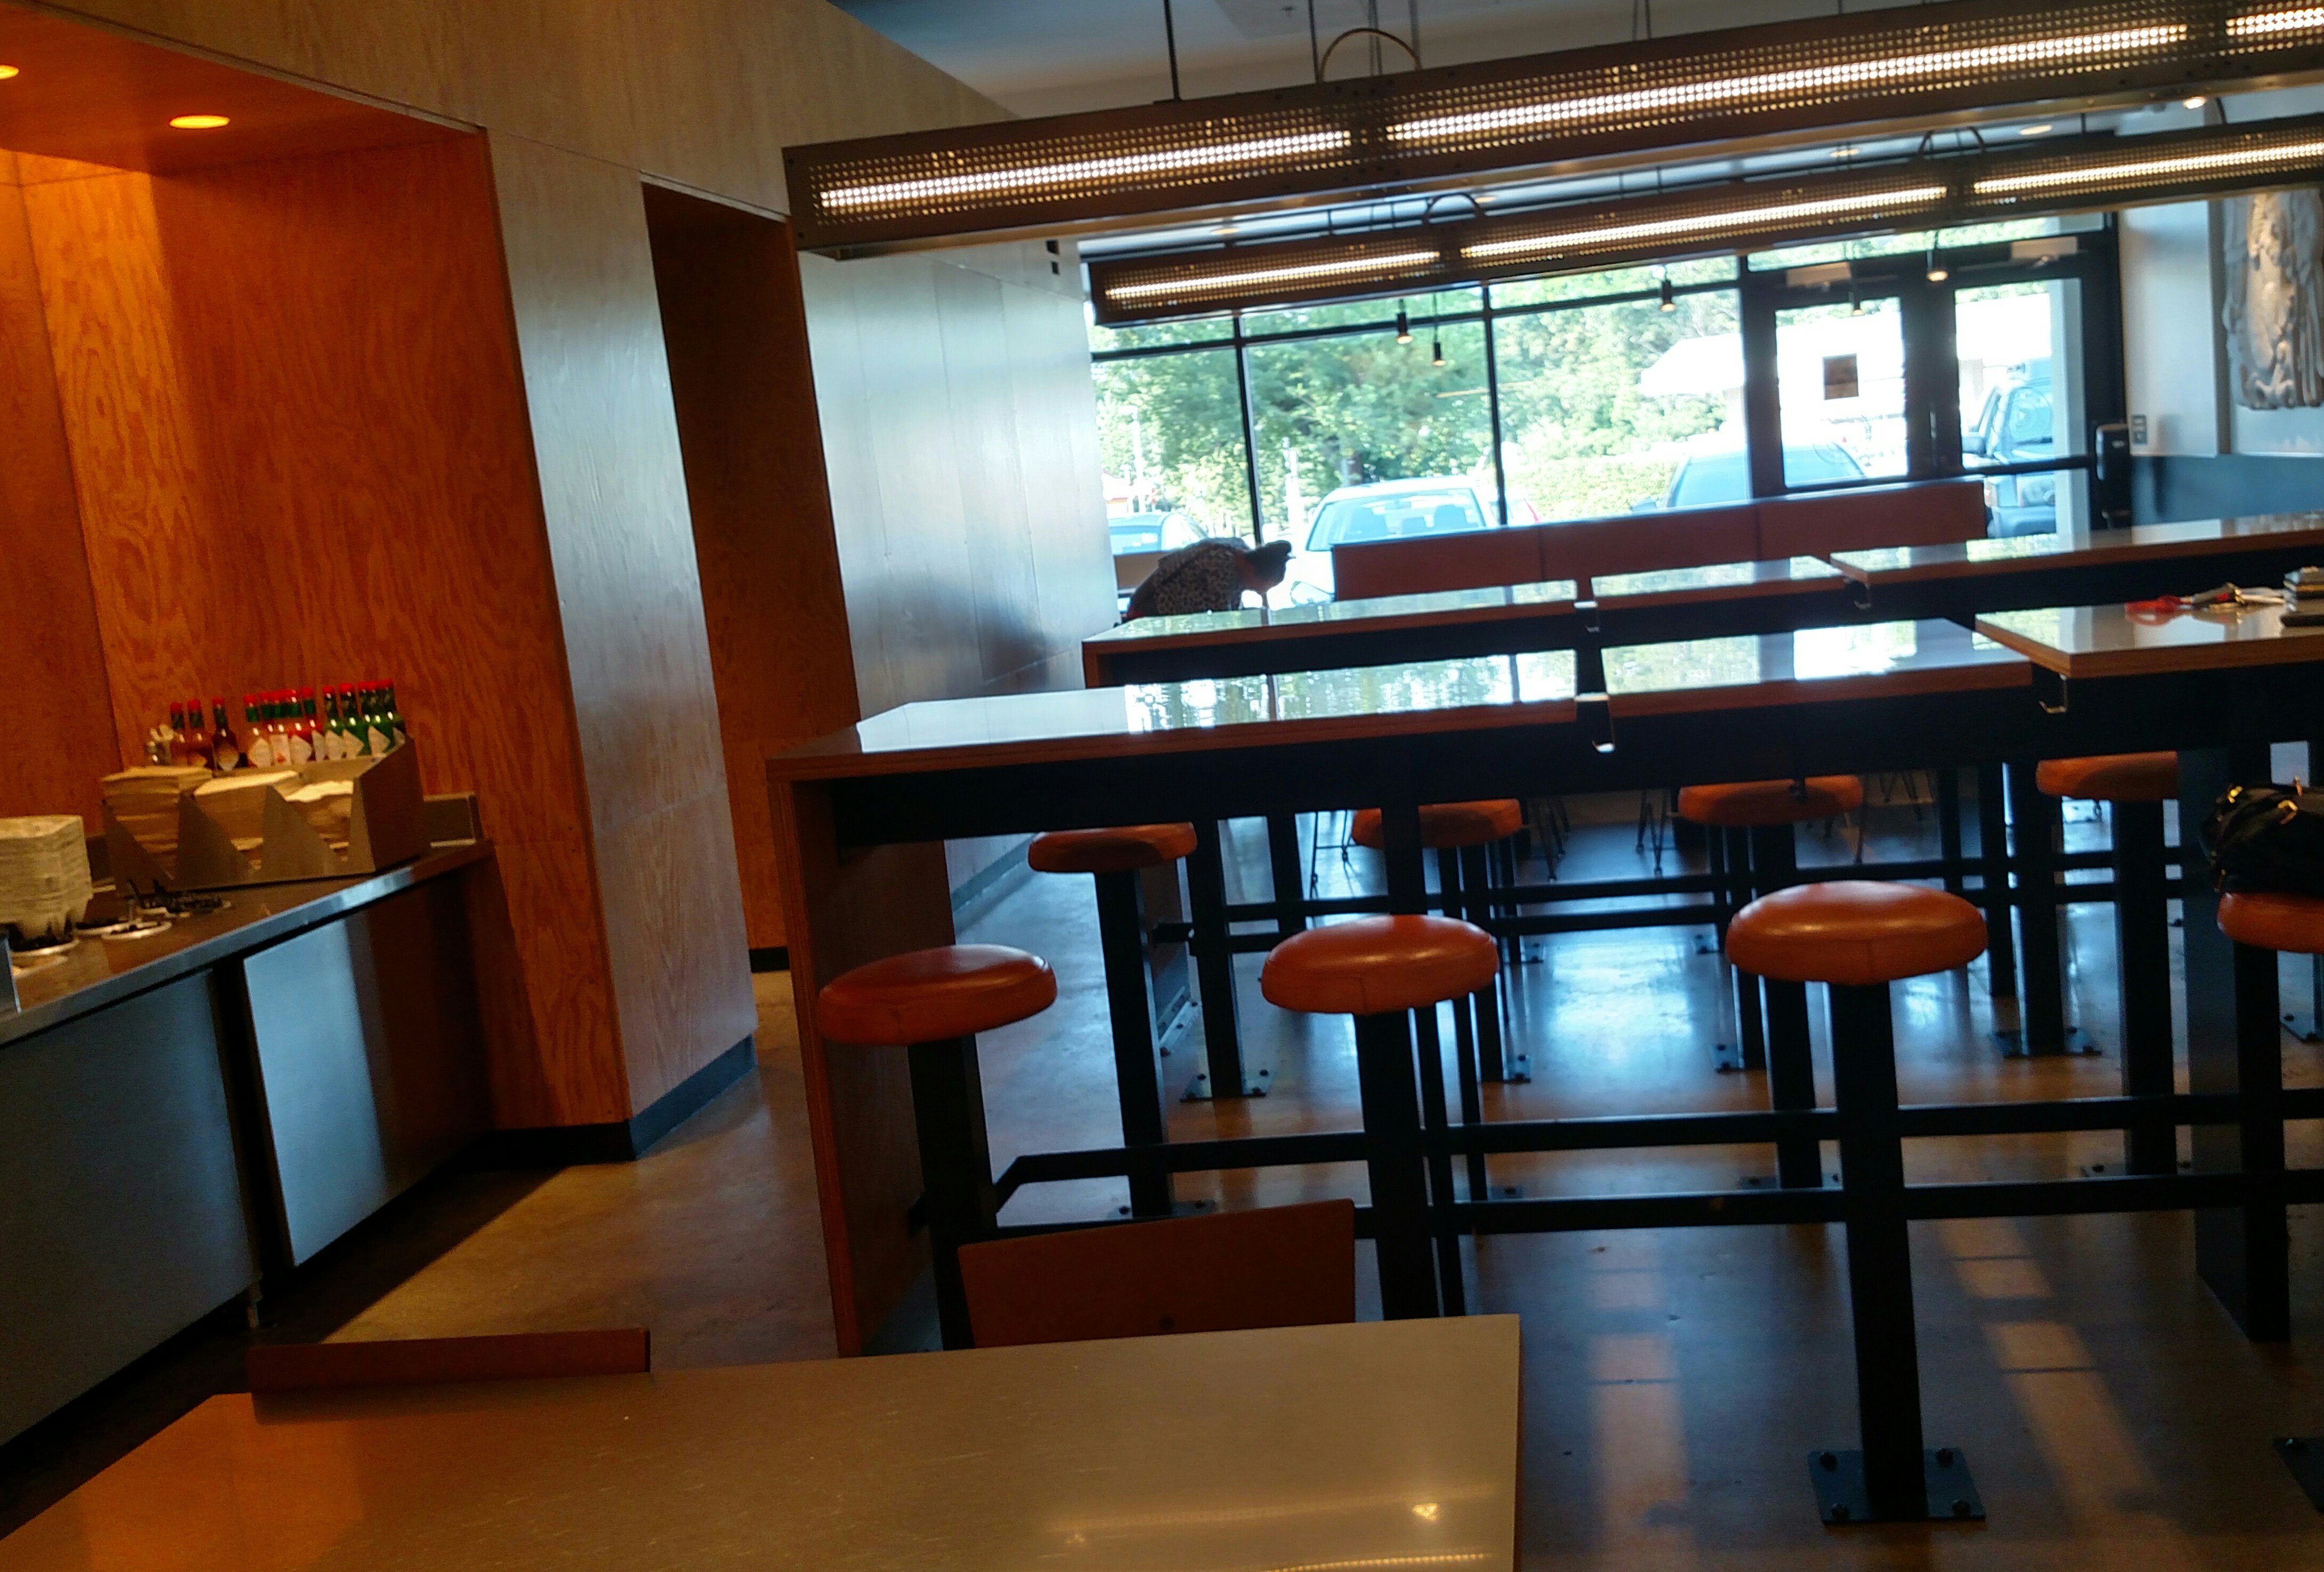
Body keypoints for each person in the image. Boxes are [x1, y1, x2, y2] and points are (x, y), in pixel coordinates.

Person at [1124, 537, 1292, 620]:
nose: (1260, 592)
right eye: (1263, 586)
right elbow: (1225, 621)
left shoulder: (1237, 550)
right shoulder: (1221, 567)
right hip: (1152, 612)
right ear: (1253, 571)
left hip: (1163, 611)